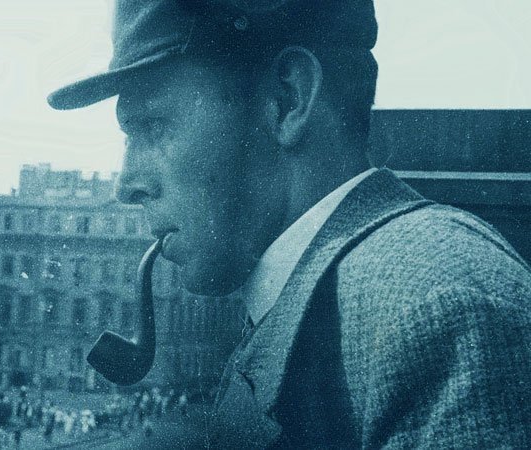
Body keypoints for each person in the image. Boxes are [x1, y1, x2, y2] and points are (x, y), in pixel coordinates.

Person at [47, 0, 531, 448]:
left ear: (287, 99)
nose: (126, 185)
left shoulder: (438, 308)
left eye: (154, 126)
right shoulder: (320, 297)